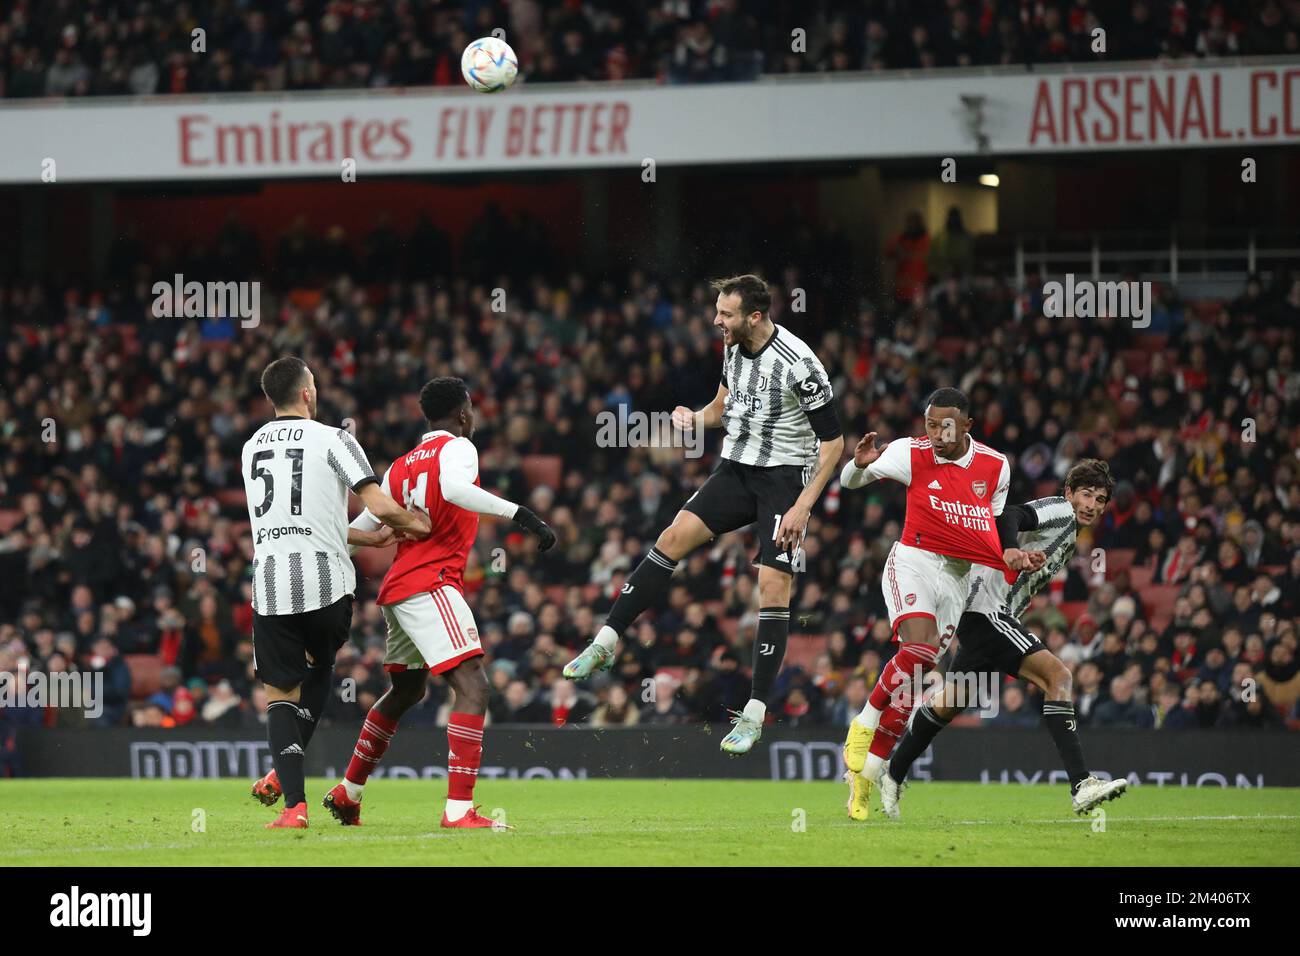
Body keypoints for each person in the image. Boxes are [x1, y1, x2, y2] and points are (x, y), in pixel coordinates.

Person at [563, 274, 844, 755]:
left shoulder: (800, 366)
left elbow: (833, 443)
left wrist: (803, 505)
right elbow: (723, 405)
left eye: (726, 314)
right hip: (736, 470)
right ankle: (607, 639)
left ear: (754, 316)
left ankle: (755, 713)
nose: (716, 321)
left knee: (772, 585)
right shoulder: (733, 348)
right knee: (672, 538)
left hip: (782, 481)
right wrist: (695, 418)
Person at [323, 377, 555, 829]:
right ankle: (458, 811)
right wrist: (520, 514)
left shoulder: (399, 467)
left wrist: (329, 547)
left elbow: (363, 525)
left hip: (397, 590)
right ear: (463, 413)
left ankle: (348, 791)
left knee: (407, 691)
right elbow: (451, 489)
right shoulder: (460, 448)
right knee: (473, 686)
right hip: (431, 583)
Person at [879, 460, 1130, 816]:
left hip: (982, 614)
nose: (1091, 504)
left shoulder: (1070, 532)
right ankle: (1082, 785)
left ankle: (893, 772)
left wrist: (1019, 556)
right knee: (1059, 677)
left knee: (949, 702)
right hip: (986, 612)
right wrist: (1012, 550)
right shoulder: (1060, 509)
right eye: (1086, 494)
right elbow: (1010, 515)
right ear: (1069, 493)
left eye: (1100, 499)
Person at [243, 356, 431, 830]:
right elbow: (377, 503)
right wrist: (415, 524)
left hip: (271, 585)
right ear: (307, 393)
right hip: (327, 586)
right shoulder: (335, 439)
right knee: (320, 669)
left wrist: (366, 537)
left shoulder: (251, 448)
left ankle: (293, 808)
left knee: (280, 697)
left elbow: (296, 523)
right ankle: (282, 782)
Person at [838, 387, 1043, 819]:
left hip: (957, 578)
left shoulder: (995, 465)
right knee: (917, 650)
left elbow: (995, 523)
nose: (935, 433)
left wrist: (1012, 554)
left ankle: (864, 780)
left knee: (913, 686)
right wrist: (858, 466)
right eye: (930, 423)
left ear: (967, 425)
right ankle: (863, 722)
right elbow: (849, 483)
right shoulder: (909, 452)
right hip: (914, 559)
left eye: (944, 425)